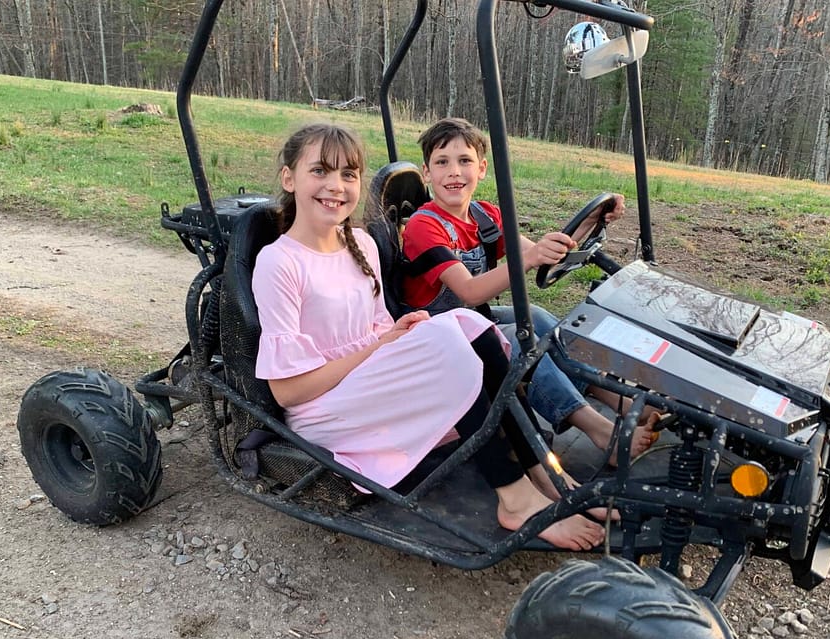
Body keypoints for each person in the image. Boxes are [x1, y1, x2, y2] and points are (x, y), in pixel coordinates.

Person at [251, 122, 608, 550]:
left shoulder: (360, 244)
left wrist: (397, 334)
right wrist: (382, 347)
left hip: (365, 382)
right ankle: (514, 500)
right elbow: (288, 392)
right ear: (289, 178)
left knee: (474, 330)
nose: (336, 186)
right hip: (324, 409)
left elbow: (377, 328)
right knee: (448, 347)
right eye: (320, 171)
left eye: (348, 174)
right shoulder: (279, 263)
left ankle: (546, 473)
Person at [401, 117, 658, 464]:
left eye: (464, 162)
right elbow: (471, 291)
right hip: (433, 333)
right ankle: (599, 431)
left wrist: (588, 222)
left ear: (482, 169)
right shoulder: (423, 225)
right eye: (442, 163)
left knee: (538, 319)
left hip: (470, 321)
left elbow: (537, 254)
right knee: (520, 342)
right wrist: (532, 257)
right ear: (427, 173)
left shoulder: (484, 215)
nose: (454, 172)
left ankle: (620, 403)